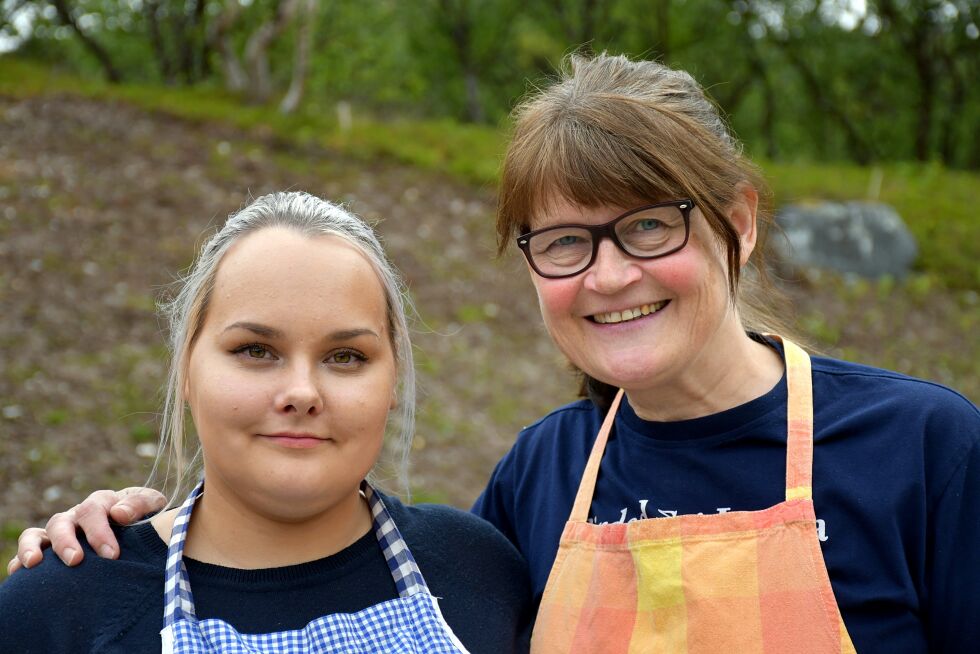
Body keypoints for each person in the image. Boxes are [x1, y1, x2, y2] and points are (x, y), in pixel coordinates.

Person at [12, 54, 980, 653]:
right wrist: (123, 534)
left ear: (736, 223)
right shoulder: (537, 477)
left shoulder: (924, 448)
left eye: (647, 227)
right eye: (563, 242)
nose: (606, 277)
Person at [0, 191, 532, 653]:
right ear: (186, 369)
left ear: (392, 382)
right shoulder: (59, 609)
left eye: (345, 356)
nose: (301, 393)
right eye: (256, 350)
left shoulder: (480, 568)